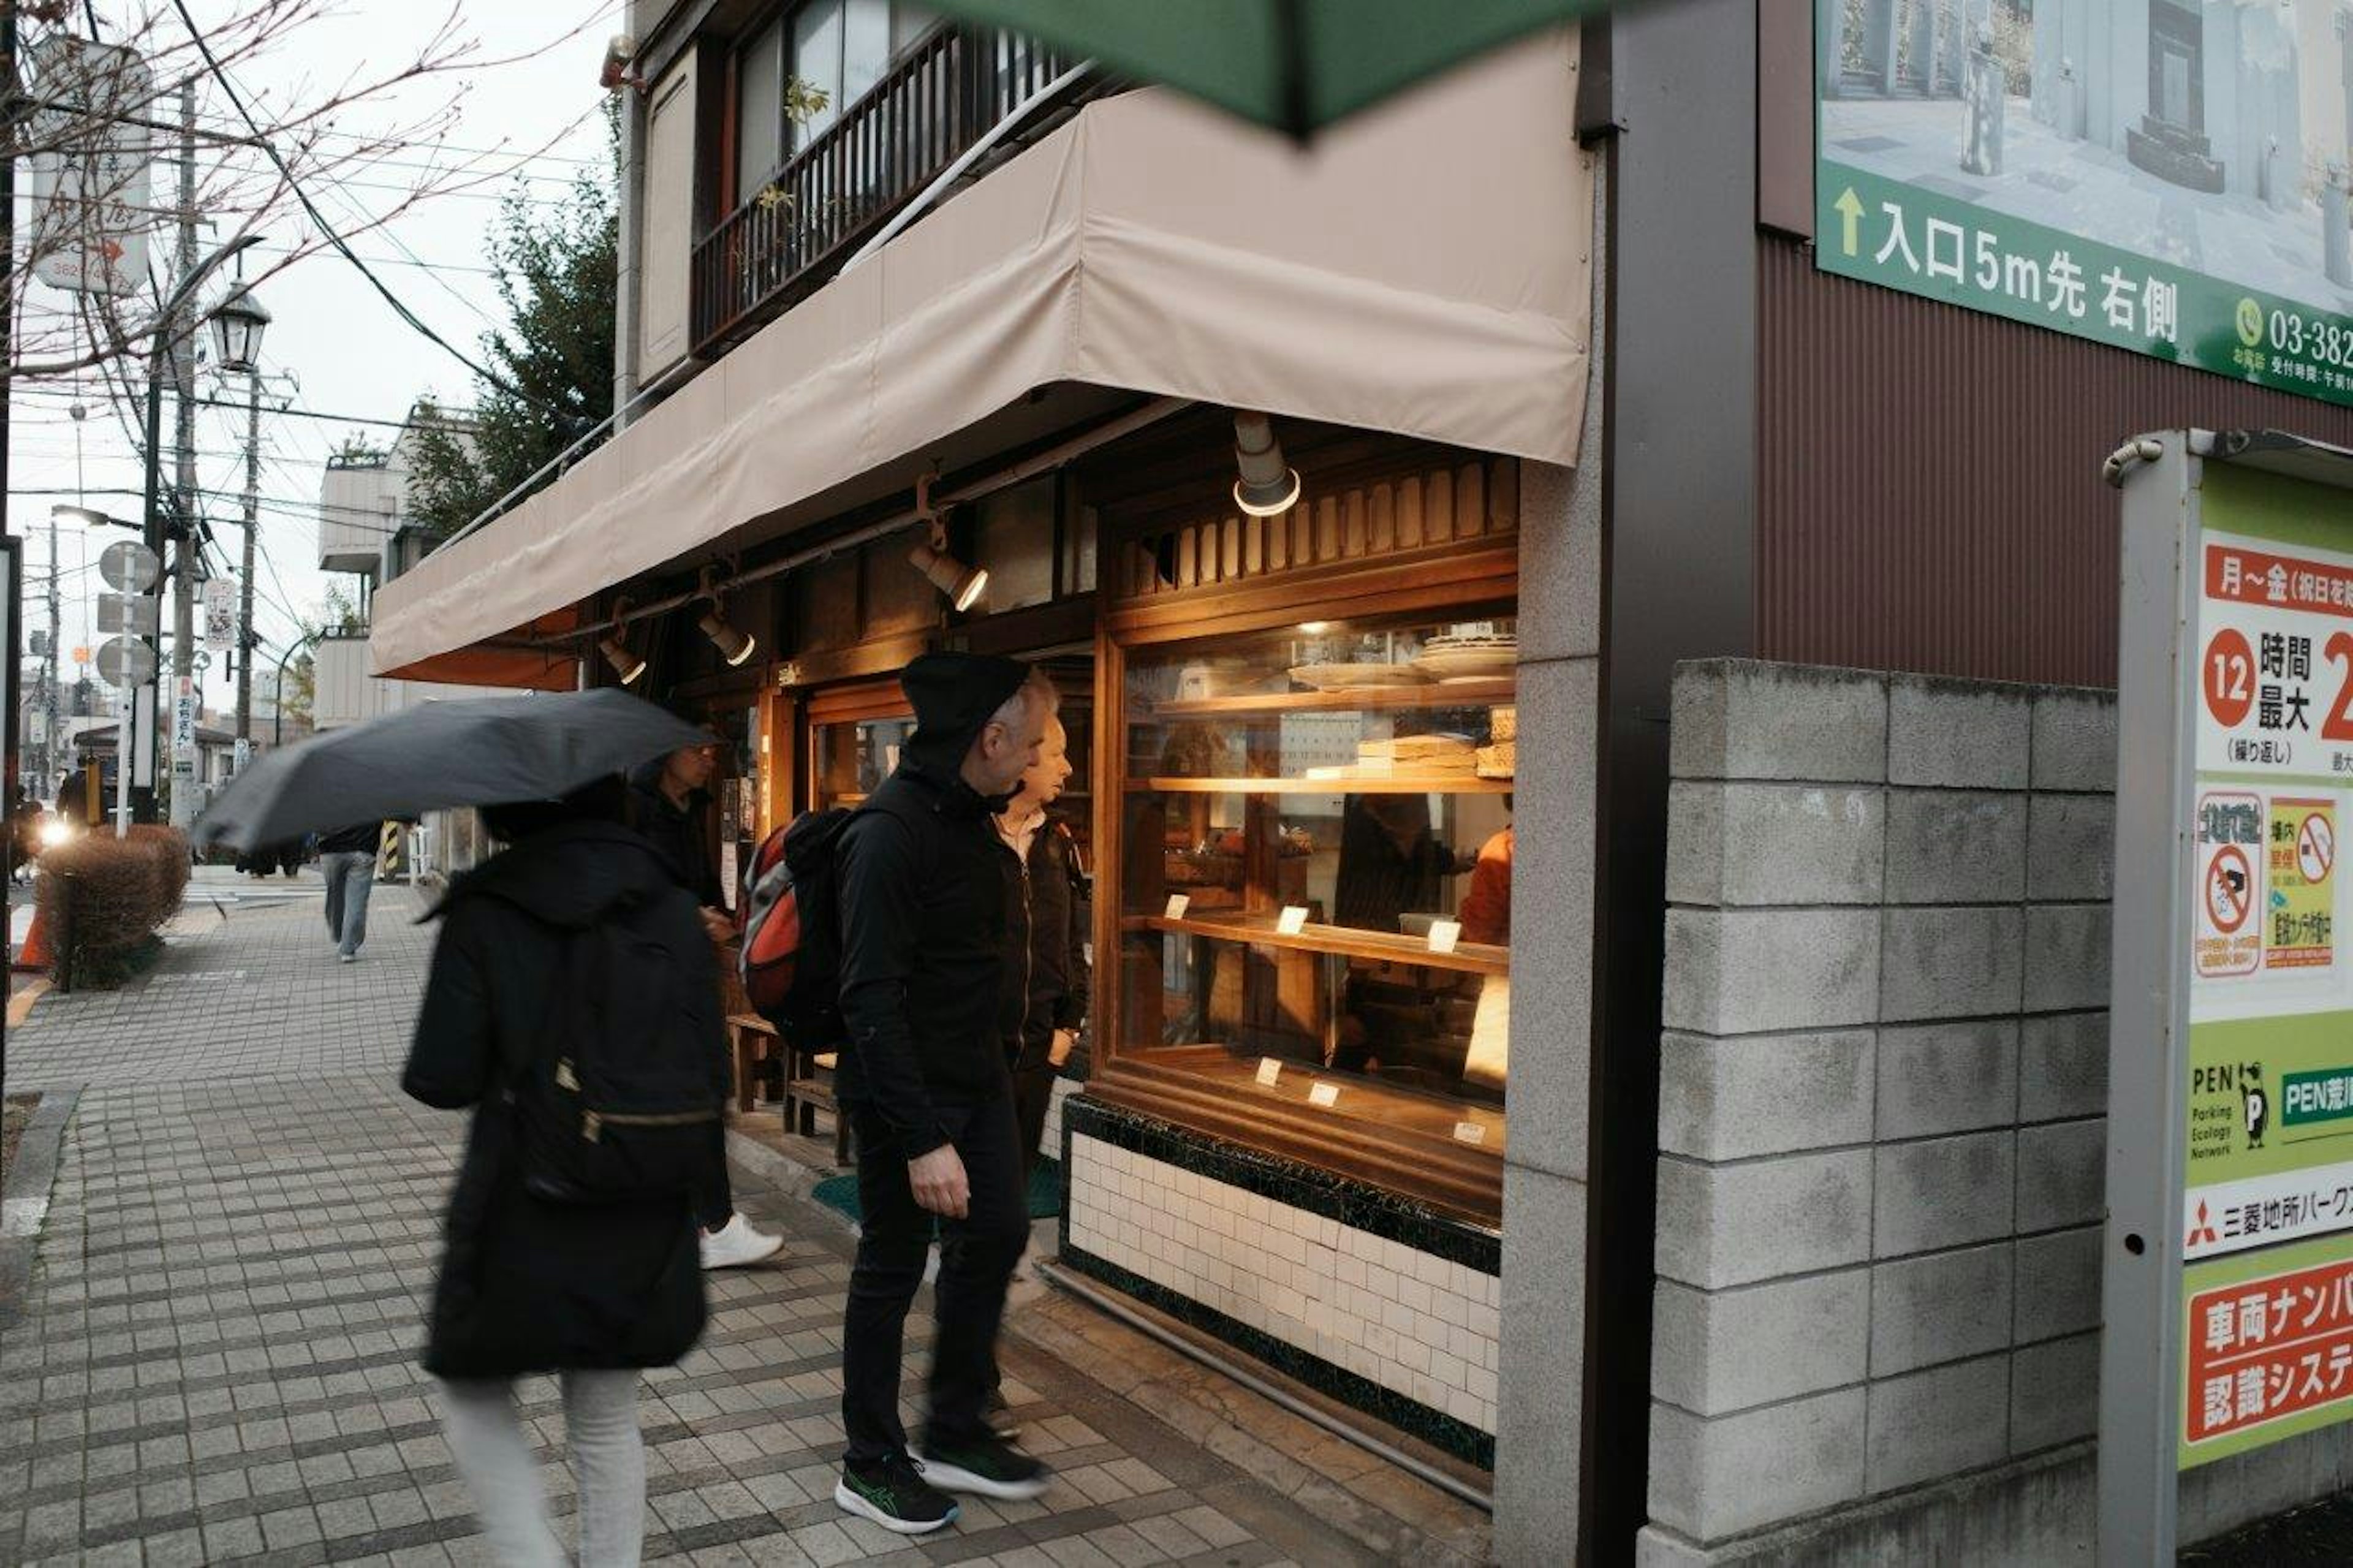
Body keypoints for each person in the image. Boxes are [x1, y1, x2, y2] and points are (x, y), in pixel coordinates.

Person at [402, 778, 713, 1567]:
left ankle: (531, 1556)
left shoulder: (489, 907)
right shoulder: (674, 904)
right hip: (643, 1187)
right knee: (606, 1417)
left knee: (474, 1388)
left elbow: (443, 1077)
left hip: (522, 1195)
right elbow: (709, 1066)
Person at [832, 652, 1056, 1535]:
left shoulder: (970, 818)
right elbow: (868, 995)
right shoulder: (891, 831)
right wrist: (921, 1135)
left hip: (979, 1081)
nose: (1035, 759)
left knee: (997, 1229)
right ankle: (871, 1461)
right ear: (990, 738)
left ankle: (955, 1427)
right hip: (905, 1097)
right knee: (890, 1264)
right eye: (1030, 742)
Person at [627, 736, 782, 1271]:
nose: (710, 755)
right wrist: (690, 918)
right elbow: (625, 896)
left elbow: (695, 890)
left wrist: (716, 917)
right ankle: (713, 1223)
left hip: (690, 974)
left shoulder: (689, 811)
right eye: (696, 745)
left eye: (713, 747)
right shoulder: (635, 813)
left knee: (696, 1096)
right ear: (664, 751)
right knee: (695, 1096)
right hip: (651, 981)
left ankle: (695, 1221)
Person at [995, 713, 1088, 1181]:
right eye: (1056, 753)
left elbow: (1074, 942)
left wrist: (1067, 1029)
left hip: (1038, 1049)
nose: (1067, 767)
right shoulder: (964, 840)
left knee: (1013, 1182)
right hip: (974, 1053)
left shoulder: (1058, 841)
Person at [318, 820, 381, 963]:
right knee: (357, 902)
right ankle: (348, 948)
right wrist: (409, 820)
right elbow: (391, 805)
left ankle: (339, 935)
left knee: (335, 897)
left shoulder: (325, 796)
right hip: (364, 848)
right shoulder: (374, 796)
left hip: (330, 850)